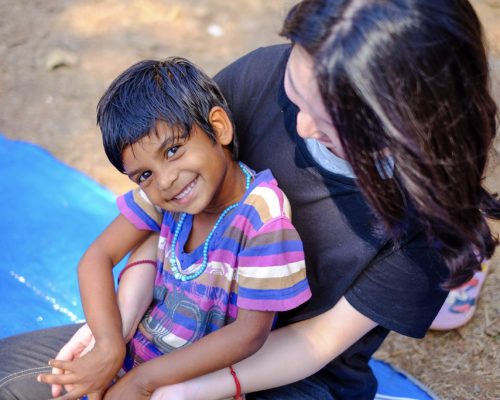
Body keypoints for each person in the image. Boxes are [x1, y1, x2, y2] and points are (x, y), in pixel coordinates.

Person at [1, 0, 499, 399]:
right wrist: (118, 334)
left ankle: (452, 288)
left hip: (289, 377)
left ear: (402, 121)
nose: (300, 128)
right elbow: (170, 215)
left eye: (328, 123)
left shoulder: (428, 224)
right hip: (172, 330)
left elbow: (313, 344)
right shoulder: (261, 77)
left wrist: (170, 386)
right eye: (297, 97)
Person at [9, 57, 311, 399]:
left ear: (219, 127)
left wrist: (144, 382)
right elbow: (97, 257)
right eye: (145, 175)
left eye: (173, 150)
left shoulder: (261, 214)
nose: (165, 180)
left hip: (191, 386)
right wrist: (108, 346)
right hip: (133, 358)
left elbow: (248, 334)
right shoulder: (164, 199)